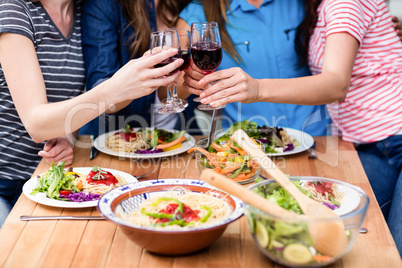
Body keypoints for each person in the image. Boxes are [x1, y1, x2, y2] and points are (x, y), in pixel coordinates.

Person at [194, 0, 402, 255]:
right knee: (345, 234)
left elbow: (336, 84)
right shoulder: (315, 5)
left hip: (393, 138)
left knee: (383, 246)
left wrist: (257, 89)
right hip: (370, 146)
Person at [0, 0, 183, 227]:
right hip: (5, 180)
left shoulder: (80, 12)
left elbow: (76, 100)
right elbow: (36, 124)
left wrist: (67, 136)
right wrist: (116, 87)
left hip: (50, 178)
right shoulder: (12, 10)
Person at [179, 0, 332, 137]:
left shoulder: (304, 4)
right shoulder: (198, 12)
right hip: (248, 142)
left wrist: (258, 88)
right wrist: (191, 78)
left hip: (316, 137)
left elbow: (336, 83)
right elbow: (168, 93)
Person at [81, 0, 200, 137]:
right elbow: (101, 98)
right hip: (122, 141)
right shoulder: (104, 5)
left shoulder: (186, 5)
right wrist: (136, 81)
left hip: (182, 136)